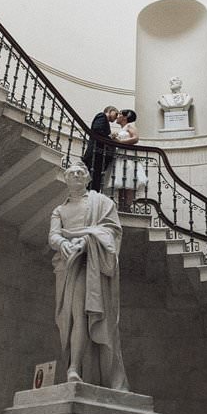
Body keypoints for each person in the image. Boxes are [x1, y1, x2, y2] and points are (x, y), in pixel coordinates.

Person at [48, 160, 128, 390]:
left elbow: (111, 230)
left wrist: (85, 241)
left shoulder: (102, 202)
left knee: (81, 313)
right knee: (70, 318)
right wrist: (63, 242)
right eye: (71, 173)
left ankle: (74, 368)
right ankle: (75, 367)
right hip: (68, 265)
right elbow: (53, 236)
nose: (76, 175)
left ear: (88, 178)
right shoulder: (59, 210)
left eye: (80, 172)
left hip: (91, 264)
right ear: (66, 178)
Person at [109, 110, 148, 211]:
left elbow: (135, 138)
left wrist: (120, 141)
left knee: (129, 180)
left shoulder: (130, 126)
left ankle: (127, 206)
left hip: (128, 156)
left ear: (125, 117)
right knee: (122, 181)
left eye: (120, 114)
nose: (117, 116)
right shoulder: (122, 128)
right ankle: (121, 206)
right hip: (121, 155)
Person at [82, 104, 118, 192]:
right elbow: (97, 130)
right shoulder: (102, 116)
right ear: (110, 111)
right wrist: (110, 137)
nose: (116, 117)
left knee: (95, 180)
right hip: (96, 154)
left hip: (98, 155)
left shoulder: (105, 121)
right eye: (116, 114)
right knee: (92, 180)